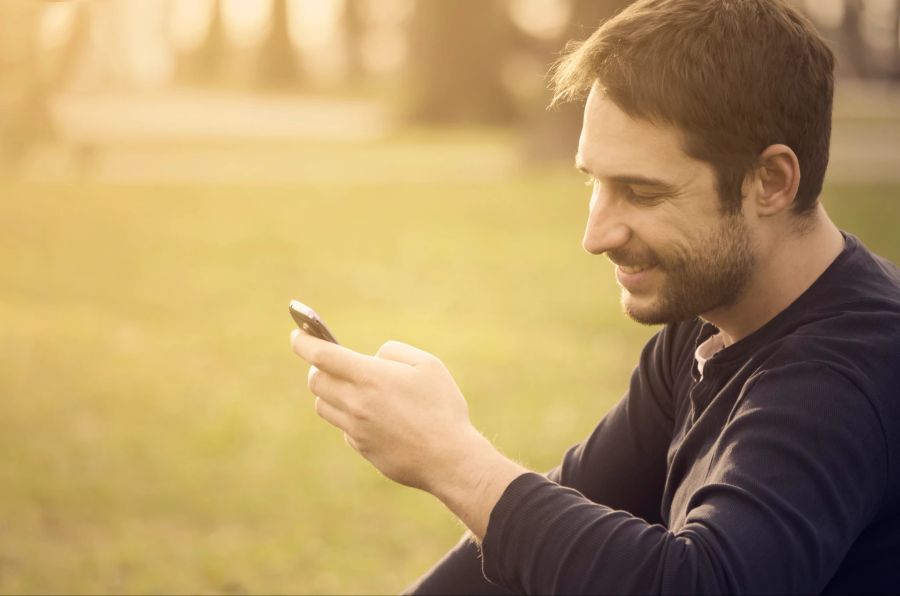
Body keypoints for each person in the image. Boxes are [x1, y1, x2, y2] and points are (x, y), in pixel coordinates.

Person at [290, 0, 900, 593]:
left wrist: (453, 460)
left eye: (641, 191)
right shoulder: (710, 324)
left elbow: (699, 582)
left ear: (771, 181)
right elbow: (569, 519)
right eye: (594, 182)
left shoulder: (847, 372)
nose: (595, 236)